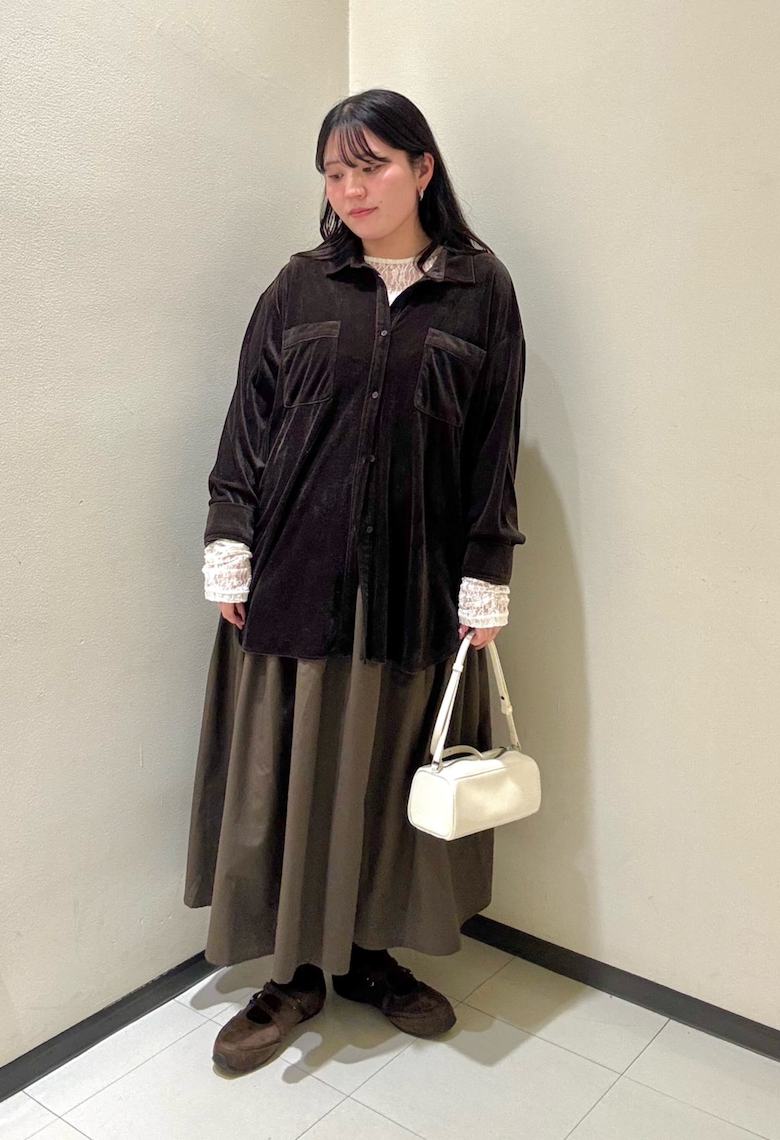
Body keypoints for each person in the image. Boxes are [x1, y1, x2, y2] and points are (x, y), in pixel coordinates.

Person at [184, 87, 526, 1074]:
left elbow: (493, 444)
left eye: (369, 165)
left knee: (384, 778)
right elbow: (248, 422)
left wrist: (487, 572)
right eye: (334, 172)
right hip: (297, 576)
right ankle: (293, 973)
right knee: (289, 780)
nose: (350, 188)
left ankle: (370, 957)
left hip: (415, 586)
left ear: (422, 167)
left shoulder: (481, 290)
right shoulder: (298, 287)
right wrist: (228, 539)